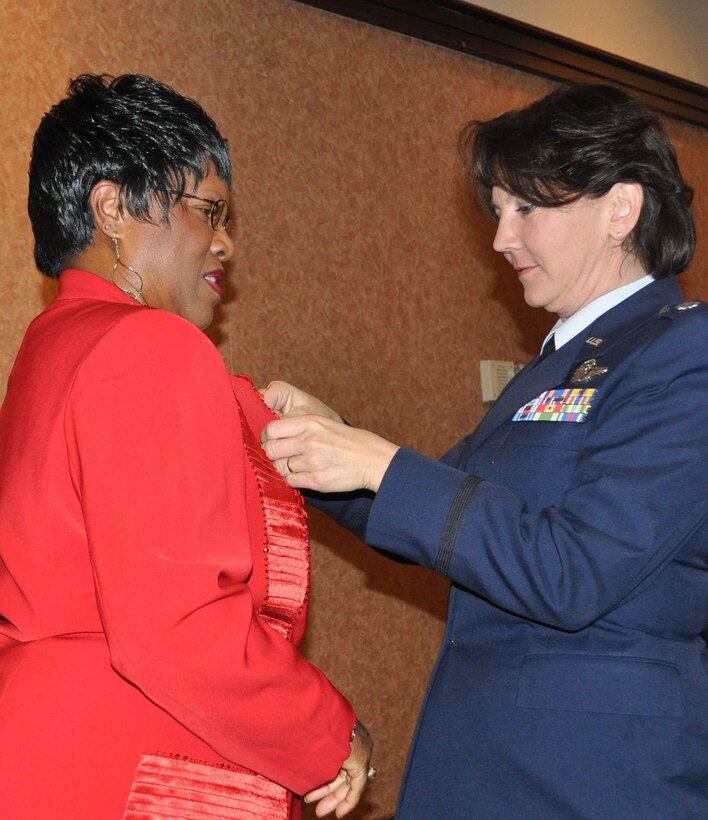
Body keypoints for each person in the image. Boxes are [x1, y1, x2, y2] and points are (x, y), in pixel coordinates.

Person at [261, 83, 707, 818]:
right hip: (488, 762)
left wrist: (377, 462)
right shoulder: (554, 365)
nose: (502, 238)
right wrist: (325, 442)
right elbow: (439, 508)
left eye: (527, 207)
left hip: (593, 780)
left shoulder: (685, 352)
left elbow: (574, 570)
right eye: (498, 211)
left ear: (620, 210)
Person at [0, 73, 373, 820]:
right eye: (209, 211)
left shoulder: (50, 346)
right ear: (112, 208)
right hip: (131, 765)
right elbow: (178, 625)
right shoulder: (150, 346)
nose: (225, 242)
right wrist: (329, 731)